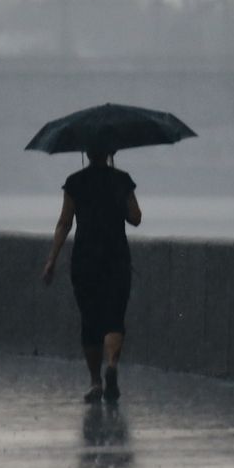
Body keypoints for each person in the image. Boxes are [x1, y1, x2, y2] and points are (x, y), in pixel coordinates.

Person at [40, 147, 142, 403]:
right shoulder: (122, 179)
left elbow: (65, 223)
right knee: (114, 318)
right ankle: (112, 364)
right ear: (110, 152)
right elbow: (136, 218)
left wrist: (52, 260)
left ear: (86, 152)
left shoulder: (75, 182)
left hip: (85, 260)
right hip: (116, 258)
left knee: (90, 320)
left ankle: (95, 382)